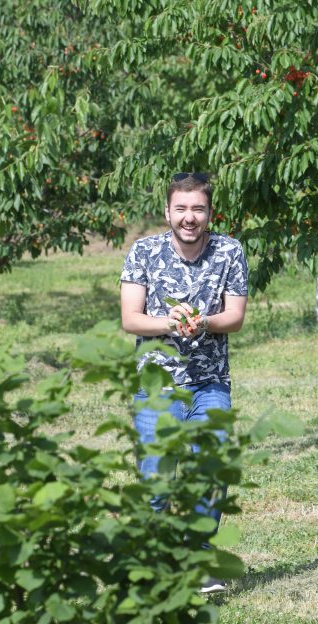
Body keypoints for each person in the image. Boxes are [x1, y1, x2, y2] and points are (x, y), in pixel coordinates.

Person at [119, 172, 248, 592]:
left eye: (198, 209)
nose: (189, 217)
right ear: (167, 212)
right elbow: (130, 318)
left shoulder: (229, 251)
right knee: (157, 476)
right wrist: (170, 323)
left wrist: (203, 322)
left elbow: (235, 317)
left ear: (210, 213)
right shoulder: (144, 252)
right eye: (181, 209)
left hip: (210, 383)